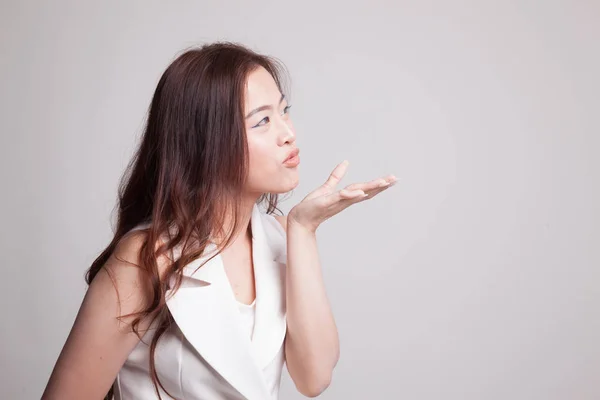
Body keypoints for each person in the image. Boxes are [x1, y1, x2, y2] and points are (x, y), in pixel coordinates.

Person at [41, 42, 397, 400]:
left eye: (283, 111)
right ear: (208, 142)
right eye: (262, 121)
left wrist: (303, 230)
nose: (288, 132)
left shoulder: (276, 237)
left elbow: (314, 377)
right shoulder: (142, 259)